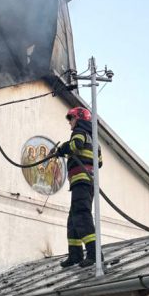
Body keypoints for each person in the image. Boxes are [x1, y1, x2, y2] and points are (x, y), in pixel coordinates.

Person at [55, 107, 102, 268]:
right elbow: (99, 162)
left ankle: (94, 254)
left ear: (79, 119)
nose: (70, 122)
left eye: (72, 118)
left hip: (82, 181)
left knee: (81, 215)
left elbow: (75, 145)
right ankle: (75, 255)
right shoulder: (94, 140)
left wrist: (62, 149)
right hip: (86, 183)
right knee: (73, 219)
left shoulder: (79, 132)